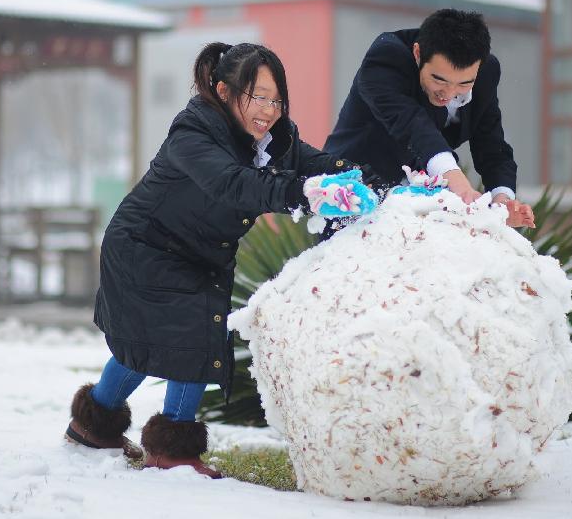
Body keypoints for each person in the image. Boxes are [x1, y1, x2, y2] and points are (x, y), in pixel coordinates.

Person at [64, 42, 377, 478]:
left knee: (150, 341)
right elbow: (233, 184)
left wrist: (366, 181)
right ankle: (172, 450)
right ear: (225, 91)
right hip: (145, 247)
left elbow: (318, 163)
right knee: (186, 337)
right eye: (257, 97)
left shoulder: (274, 139)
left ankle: (94, 426)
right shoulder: (194, 132)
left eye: (275, 99)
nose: (268, 110)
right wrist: (302, 194)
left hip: (196, 252)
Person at [323, 8, 535, 229]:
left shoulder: (487, 72)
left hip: (426, 201)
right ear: (417, 53)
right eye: (439, 80)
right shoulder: (386, 58)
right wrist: (455, 180)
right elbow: (412, 124)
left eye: (464, 84)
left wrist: (502, 201)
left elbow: (490, 142)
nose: (449, 93)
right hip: (355, 194)